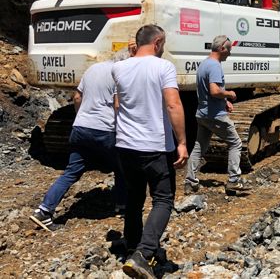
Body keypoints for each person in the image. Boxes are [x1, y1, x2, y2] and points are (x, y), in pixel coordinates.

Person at [113, 24, 188, 279]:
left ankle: (133, 247)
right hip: (154, 146)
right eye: (163, 43)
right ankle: (143, 255)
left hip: (125, 146)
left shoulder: (119, 68)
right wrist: (182, 142)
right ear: (157, 42)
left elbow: (117, 105)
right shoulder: (162, 66)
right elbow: (173, 103)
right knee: (163, 199)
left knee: (134, 197)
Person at [29, 51, 129, 232]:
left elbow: (77, 97)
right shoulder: (121, 72)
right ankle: (122, 206)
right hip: (105, 129)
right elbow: (118, 104)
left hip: (80, 128)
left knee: (70, 172)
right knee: (122, 168)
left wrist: (80, 118)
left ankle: (44, 211)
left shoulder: (93, 69)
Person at [185, 35, 249, 196]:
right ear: (222, 48)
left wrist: (224, 100)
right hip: (215, 115)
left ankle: (190, 182)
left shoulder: (204, 64)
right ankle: (234, 181)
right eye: (229, 50)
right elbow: (214, 90)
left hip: (202, 113)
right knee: (236, 143)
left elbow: (208, 91)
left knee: (199, 146)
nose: (230, 54)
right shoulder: (214, 66)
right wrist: (230, 94)